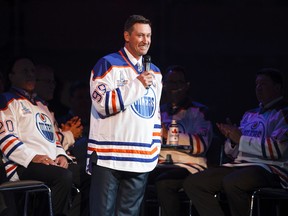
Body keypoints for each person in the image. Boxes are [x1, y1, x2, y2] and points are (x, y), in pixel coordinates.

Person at [183, 68, 288, 216]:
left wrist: (240, 138)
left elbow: (278, 150)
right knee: (193, 183)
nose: (258, 88)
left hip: (270, 168)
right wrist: (232, 140)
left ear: (277, 87)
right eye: (257, 84)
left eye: (263, 84)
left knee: (233, 182)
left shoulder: (283, 113)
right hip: (241, 166)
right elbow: (232, 153)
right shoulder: (250, 114)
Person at [87, 14, 162, 216]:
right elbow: (103, 104)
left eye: (149, 36)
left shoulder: (155, 72)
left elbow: (154, 115)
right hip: (109, 156)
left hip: (141, 157)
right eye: (140, 35)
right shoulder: (107, 64)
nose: (145, 41)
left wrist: (154, 148)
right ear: (127, 36)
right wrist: (137, 84)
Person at [0, 57, 73, 216]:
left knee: (82, 174)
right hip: (22, 165)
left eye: (32, 71)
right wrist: (34, 157)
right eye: (24, 71)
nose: (30, 74)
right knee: (64, 177)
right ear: (11, 76)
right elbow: (5, 138)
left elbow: (54, 138)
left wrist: (61, 155)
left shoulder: (42, 105)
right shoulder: (7, 100)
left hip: (48, 162)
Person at [147, 65, 213, 216]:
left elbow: (201, 145)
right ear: (163, 86)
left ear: (186, 86)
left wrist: (168, 135)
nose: (174, 87)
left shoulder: (199, 111)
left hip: (189, 167)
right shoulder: (157, 110)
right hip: (158, 165)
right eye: (170, 83)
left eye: (178, 83)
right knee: (131, 177)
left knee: (164, 183)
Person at [34, 64, 90, 216]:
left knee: (90, 172)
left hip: (57, 159)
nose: (52, 86)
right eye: (47, 82)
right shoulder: (27, 107)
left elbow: (53, 140)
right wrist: (69, 135)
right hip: (35, 162)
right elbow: (42, 142)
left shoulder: (45, 108)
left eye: (53, 82)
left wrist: (63, 144)